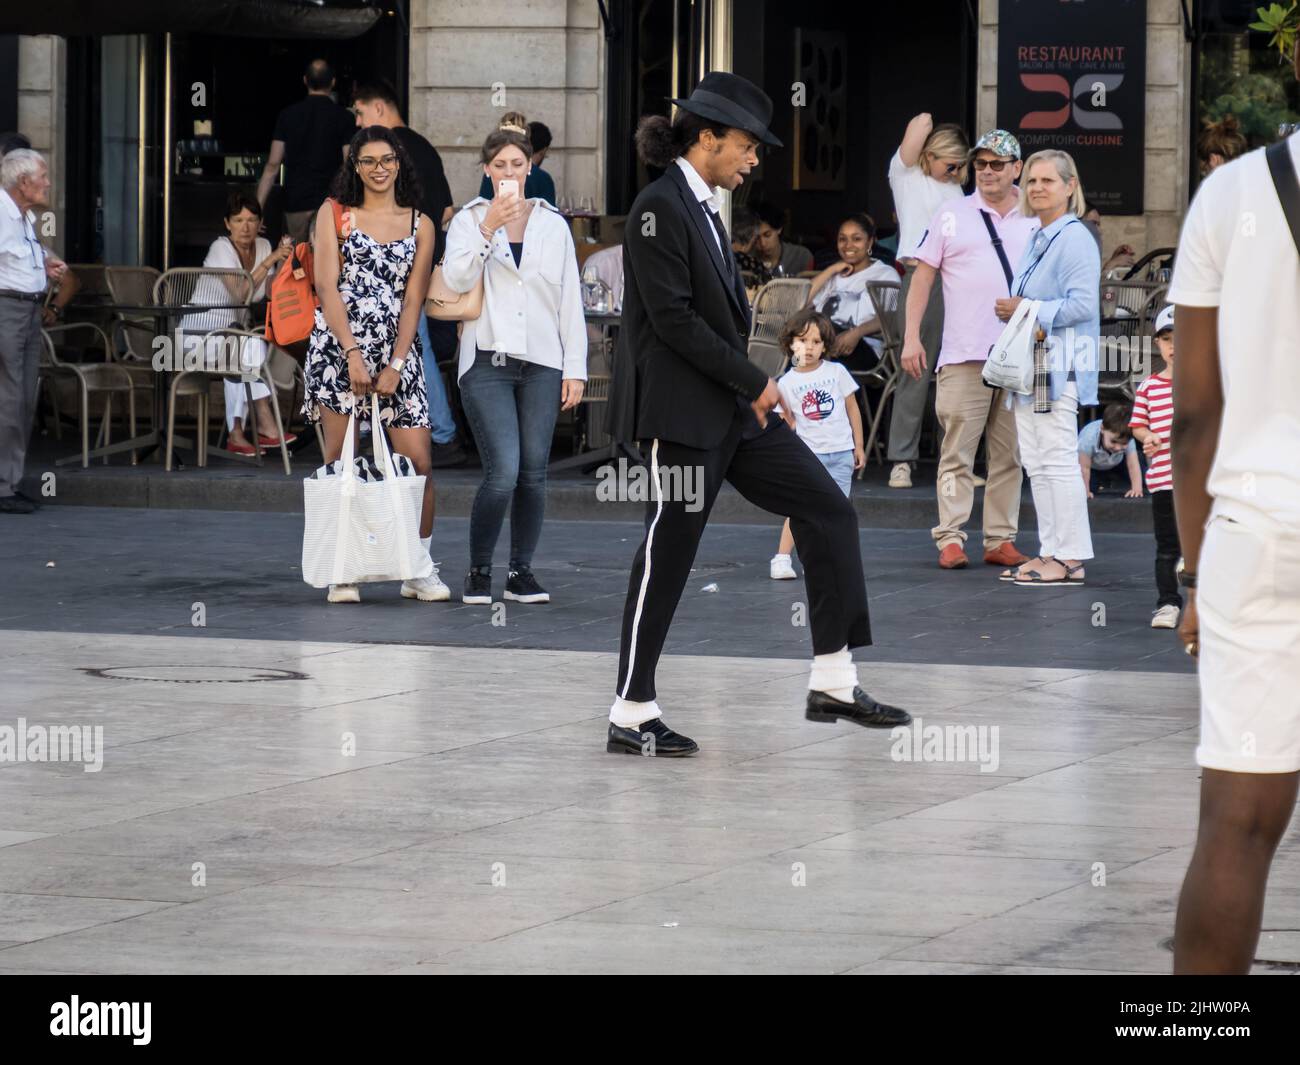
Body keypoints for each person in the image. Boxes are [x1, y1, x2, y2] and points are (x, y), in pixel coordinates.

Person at [609, 72, 911, 758]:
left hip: (734, 409)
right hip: (682, 415)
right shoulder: (657, 208)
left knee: (829, 509)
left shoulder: (705, 204)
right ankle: (631, 707)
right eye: (747, 145)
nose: (754, 160)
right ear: (707, 138)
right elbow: (673, 321)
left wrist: (749, 390)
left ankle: (834, 679)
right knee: (668, 553)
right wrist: (760, 382)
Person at [1170, 36, 1300, 970]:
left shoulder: (1231, 193)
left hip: (1256, 524)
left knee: (1238, 820)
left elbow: (1194, 415)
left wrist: (1190, 570)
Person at [442, 114, 587, 606]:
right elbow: (458, 280)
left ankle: (520, 571)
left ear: (530, 168)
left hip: (543, 362)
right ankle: (480, 570)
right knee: (503, 470)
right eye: (500, 163)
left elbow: (571, 301)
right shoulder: (468, 219)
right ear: (486, 170)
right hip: (487, 358)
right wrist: (488, 227)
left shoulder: (553, 225)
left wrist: (576, 369)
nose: (509, 170)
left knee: (534, 472)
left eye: (517, 163)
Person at [302, 126, 448, 605]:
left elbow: (413, 299)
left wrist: (397, 363)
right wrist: (353, 355)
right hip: (339, 350)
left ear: (399, 163)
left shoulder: (421, 224)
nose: (379, 169)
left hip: (397, 354)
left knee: (419, 463)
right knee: (342, 459)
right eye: (368, 161)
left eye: (387, 159)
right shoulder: (335, 214)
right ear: (355, 167)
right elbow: (326, 287)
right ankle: (344, 568)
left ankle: (418, 566)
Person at [902, 129, 1039, 571]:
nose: (987, 171)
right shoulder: (951, 213)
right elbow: (922, 277)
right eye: (980, 164)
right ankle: (950, 537)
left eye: (998, 163)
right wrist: (910, 336)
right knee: (957, 450)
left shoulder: (1038, 215)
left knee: (1010, 454)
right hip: (964, 352)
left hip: (1020, 354)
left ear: (1017, 167)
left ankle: (1000, 538)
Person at [993, 149, 1099, 586]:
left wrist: (1026, 307)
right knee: (1037, 462)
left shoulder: (1074, 236)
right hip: (1034, 369)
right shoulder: (1042, 235)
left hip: (1059, 368)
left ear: (1070, 186)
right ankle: (1052, 551)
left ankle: (1070, 556)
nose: (1037, 188)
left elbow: (1083, 304)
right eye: (1032, 181)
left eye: (1048, 181)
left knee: (1056, 460)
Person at [352, 81, 466, 467]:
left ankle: (441, 432)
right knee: (415, 346)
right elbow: (448, 210)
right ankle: (423, 430)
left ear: (380, 109)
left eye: (360, 112)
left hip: (397, 264)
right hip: (432, 259)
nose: (358, 121)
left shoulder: (385, 150)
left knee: (413, 346)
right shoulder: (426, 149)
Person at [883, 113, 969, 489]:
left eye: (960, 166)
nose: (955, 172)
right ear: (932, 155)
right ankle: (901, 459)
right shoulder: (905, 175)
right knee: (915, 369)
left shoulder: (956, 191)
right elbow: (919, 122)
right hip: (922, 276)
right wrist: (933, 135)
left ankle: (953, 461)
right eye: (951, 164)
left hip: (957, 279)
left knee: (956, 372)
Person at [180, 193, 296, 455]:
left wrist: (284, 265)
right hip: (198, 334)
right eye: (238, 219)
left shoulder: (265, 246)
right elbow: (240, 293)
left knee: (250, 347)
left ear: (260, 222)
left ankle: (237, 433)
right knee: (245, 349)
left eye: (252, 219)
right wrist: (270, 260)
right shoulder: (221, 248)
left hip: (233, 336)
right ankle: (264, 420)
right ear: (227, 223)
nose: (245, 227)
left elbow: (269, 292)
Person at [768, 308, 864, 580]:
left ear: (825, 346)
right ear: (789, 344)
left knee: (839, 509)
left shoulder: (837, 372)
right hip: (809, 455)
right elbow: (785, 423)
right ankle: (782, 558)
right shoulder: (785, 383)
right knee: (801, 508)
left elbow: (852, 409)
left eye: (815, 341)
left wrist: (858, 445)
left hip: (841, 453)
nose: (808, 347)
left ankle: (836, 559)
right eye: (801, 340)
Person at [0, 148, 64, 514]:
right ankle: (3, 487)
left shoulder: (24, 216)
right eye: (42, 175)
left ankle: (9, 482)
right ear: (23, 182)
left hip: (27, 311)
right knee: (9, 398)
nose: (47, 182)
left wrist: (46, 263)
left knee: (22, 397)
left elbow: (19, 256)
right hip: (7, 309)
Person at [257, 59, 356, 243]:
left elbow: (272, 165)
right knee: (329, 260)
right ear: (333, 82)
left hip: (296, 202)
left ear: (305, 80)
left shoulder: (287, 116)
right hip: (332, 203)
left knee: (296, 261)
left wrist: (257, 210)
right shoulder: (345, 118)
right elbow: (348, 164)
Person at [1128, 305, 1181, 629]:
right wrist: (1148, 437)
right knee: (1167, 547)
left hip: (1198, 481)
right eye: (1167, 339)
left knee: (1203, 545)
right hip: (1163, 479)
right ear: (1158, 344)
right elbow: (1138, 425)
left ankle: (1205, 604)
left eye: (1182, 338)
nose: (1174, 346)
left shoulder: (1205, 384)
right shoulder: (1149, 387)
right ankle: (1168, 603)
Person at [806, 213, 900, 373]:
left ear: (870, 242)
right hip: (821, 345)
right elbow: (801, 302)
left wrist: (856, 333)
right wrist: (831, 270)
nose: (848, 245)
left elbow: (892, 318)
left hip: (863, 347)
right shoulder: (834, 276)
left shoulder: (885, 274)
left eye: (856, 239)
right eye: (842, 239)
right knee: (800, 324)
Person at [478, 120, 557, 205]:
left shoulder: (550, 217)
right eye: (499, 165)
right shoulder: (467, 216)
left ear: (529, 165)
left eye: (517, 164)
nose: (509, 173)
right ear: (487, 168)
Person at [1077, 403, 1141, 498]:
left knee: (1142, 479)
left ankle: (1111, 478)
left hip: (1118, 462)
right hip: (1092, 467)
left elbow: (1133, 465)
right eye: (1114, 441)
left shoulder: (1128, 438)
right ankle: (1103, 480)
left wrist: (1137, 488)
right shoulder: (1088, 439)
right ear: (1102, 429)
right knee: (1090, 489)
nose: (1118, 447)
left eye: (1123, 443)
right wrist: (1085, 491)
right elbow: (1084, 468)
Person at [752, 200, 814, 277]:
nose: (763, 243)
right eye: (756, 238)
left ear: (779, 229)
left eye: (767, 235)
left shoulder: (800, 256)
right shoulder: (747, 259)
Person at [730, 205, 772, 288]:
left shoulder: (717, 257)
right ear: (752, 237)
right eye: (756, 238)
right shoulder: (753, 264)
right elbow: (771, 290)